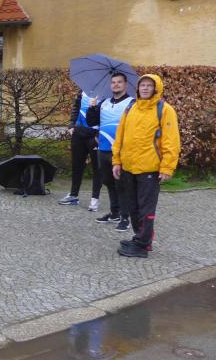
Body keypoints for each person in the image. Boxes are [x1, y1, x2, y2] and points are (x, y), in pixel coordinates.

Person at [112, 74, 180, 258]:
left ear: (156, 89)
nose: (145, 88)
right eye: (142, 85)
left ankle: (143, 245)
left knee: (146, 209)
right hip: (129, 167)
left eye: (149, 85)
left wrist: (167, 167)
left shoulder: (165, 110)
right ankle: (140, 238)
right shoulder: (131, 107)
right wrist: (116, 161)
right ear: (138, 88)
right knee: (132, 207)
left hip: (149, 169)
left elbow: (171, 141)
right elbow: (120, 136)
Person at [86, 72, 134, 231]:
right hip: (103, 150)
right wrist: (92, 108)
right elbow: (92, 122)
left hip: (120, 152)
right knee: (108, 182)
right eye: (113, 82)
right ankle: (115, 213)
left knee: (122, 184)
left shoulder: (131, 103)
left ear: (125, 84)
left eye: (119, 82)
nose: (116, 85)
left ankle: (125, 217)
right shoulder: (104, 102)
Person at [58, 90, 102, 211]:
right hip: (79, 132)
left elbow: (107, 116)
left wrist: (99, 134)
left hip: (94, 134)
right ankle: (73, 195)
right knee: (77, 165)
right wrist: (72, 124)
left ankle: (94, 199)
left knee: (97, 167)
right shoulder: (82, 90)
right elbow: (76, 107)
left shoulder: (105, 93)